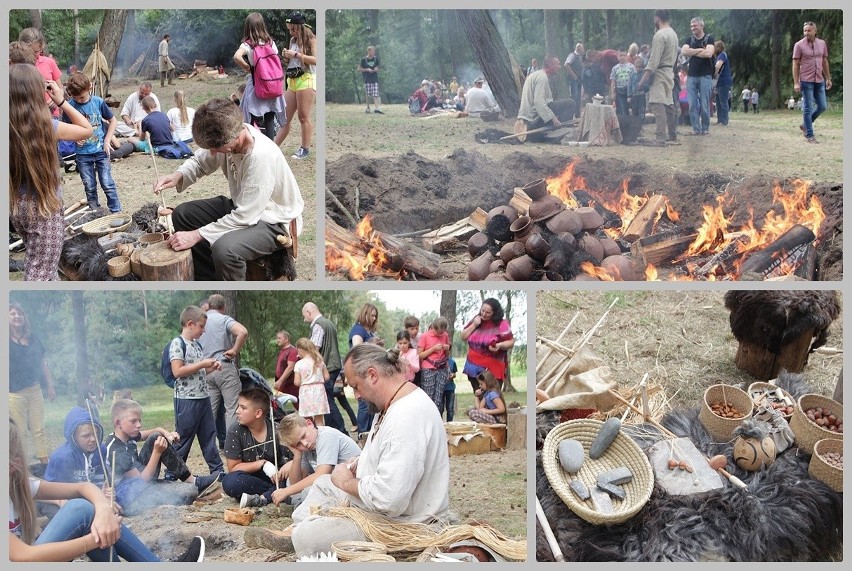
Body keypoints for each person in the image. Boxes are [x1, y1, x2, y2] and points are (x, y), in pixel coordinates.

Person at [290, 345, 450, 558]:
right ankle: (293, 530)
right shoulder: (390, 403)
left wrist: (347, 482)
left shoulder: (405, 418)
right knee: (322, 482)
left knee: (306, 537)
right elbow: (383, 456)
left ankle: (299, 532)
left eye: (356, 386)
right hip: (384, 509)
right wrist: (359, 463)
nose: (356, 395)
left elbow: (390, 500)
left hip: (403, 524)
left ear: (373, 375)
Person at [9, 421, 207, 562]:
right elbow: (24, 558)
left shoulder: (18, 482)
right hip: (28, 560)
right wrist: (93, 540)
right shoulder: (62, 458)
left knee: (89, 511)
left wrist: (103, 511)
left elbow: (83, 487)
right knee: (83, 511)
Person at [153, 98, 304, 281]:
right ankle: (208, 277)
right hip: (245, 207)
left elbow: (246, 216)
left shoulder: (261, 156)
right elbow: (201, 161)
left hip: (274, 221)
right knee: (183, 214)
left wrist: (196, 235)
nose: (214, 152)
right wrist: (178, 175)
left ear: (235, 137)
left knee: (225, 250)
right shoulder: (230, 132)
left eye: (217, 148)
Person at [9, 65, 92, 281]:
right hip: (45, 208)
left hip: (18, 207)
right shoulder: (48, 127)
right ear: (38, 92)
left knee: (37, 262)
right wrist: (61, 101)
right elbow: (86, 129)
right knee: (41, 273)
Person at [104, 399, 222, 515]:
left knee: (156, 436)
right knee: (189, 491)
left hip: (140, 483)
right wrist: (157, 452)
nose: (139, 425)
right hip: (130, 496)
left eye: (139, 420)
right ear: (118, 423)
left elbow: (156, 431)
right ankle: (194, 486)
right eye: (133, 421)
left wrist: (167, 435)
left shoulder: (127, 435)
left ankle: (194, 481)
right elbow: (140, 481)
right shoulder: (116, 450)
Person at [166, 305, 225, 476]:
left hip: (203, 397)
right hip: (186, 399)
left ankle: (217, 471)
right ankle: (172, 473)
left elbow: (199, 371)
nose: (204, 330)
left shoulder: (196, 345)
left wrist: (211, 367)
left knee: (209, 435)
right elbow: (177, 371)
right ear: (190, 324)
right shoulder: (178, 343)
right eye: (201, 326)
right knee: (183, 437)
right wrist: (202, 364)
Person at [258, 414, 360, 508]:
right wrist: (297, 455)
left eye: (303, 436)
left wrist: (286, 491)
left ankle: (301, 505)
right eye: (298, 444)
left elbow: (321, 474)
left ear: (309, 424)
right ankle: (301, 504)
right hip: (336, 483)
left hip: (354, 483)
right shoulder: (307, 448)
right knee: (292, 484)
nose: (305, 443)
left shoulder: (326, 436)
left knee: (306, 491)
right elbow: (295, 482)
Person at [221, 388, 290, 508]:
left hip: (276, 478)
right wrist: (262, 463)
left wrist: (288, 466)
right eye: (238, 407)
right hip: (249, 478)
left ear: (258, 413)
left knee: (289, 480)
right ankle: (271, 493)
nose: (237, 411)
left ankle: (263, 498)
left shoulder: (277, 431)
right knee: (229, 482)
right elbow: (233, 468)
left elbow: (296, 460)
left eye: (243, 408)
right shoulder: (235, 431)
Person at [9, 302, 59, 466]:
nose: (17, 317)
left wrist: (50, 385)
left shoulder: (33, 338)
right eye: (13, 314)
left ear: (24, 318)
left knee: (38, 429)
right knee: (20, 432)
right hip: (15, 393)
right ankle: (22, 466)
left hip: (35, 389)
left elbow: (42, 362)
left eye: (20, 314)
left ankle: (45, 463)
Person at [197, 293, 248, 449]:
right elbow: (242, 332)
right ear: (223, 307)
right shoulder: (223, 319)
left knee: (209, 411)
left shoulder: (201, 322)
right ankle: (233, 445)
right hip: (224, 367)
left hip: (205, 371)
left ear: (209, 306)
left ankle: (209, 447)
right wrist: (234, 349)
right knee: (232, 408)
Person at [233, 12, 287, 142]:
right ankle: (271, 147)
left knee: (250, 116)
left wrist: (247, 67)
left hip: (257, 85)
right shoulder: (270, 42)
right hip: (272, 84)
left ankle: (252, 143)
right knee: (269, 116)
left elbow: (236, 57)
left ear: (247, 27)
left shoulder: (247, 45)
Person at [274, 11, 318, 160]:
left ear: (301, 27)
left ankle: (304, 149)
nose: (291, 32)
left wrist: (297, 55)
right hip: (292, 80)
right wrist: (286, 56)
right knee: (284, 117)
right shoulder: (293, 40)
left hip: (306, 79)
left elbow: (316, 60)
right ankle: (273, 148)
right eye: (289, 29)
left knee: (303, 116)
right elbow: (293, 61)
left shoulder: (311, 40)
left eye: (293, 29)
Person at [636, 9, 679, 146]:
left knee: (657, 103)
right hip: (669, 71)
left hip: (660, 72)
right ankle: (672, 135)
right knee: (669, 104)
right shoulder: (673, 33)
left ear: (657, 19)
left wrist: (642, 81)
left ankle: (660, 137)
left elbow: (653, 60)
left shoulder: (660, 35)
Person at [302, 302, 347, 432]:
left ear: (309, 312)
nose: (304, 319)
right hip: (334, 364)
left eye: (304, 315)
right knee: (328, 399)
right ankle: (335, 430)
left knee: (327, 401)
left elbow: (314, 349)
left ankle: (340, 430)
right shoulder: (329, 323)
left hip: (328, 366)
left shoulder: (318, 325)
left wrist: (304, 360)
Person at [460, 298, 515, 393]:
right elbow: (463, 337)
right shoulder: (476, 320)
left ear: (495, 312)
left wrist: (499, 345)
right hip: (473, 366)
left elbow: (511, 341)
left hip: (493, 367)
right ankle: (480, 408)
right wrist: (474, 325)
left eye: (488, 312)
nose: (484, 314)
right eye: (482, 311)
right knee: (478, 394)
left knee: (493, 395)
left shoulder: (502, 324)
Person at [44, 407, 107, 489]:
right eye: (86, 435)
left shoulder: (100, 450)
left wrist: (103, 491)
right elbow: (63, 490)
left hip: (88, 493)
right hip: (61, 495)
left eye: (96, 433)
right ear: (73, 437)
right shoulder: (63, 458)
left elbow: (99, 478)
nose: (93, 439)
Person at [517, 56, 575, 139]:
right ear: (551, 65)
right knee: (570, 103)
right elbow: (539, 103)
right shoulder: (542, 78)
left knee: (557, 103)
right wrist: (554, 118)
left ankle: (556, 131)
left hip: (528, 118)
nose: (560, 67)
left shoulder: (538, 75)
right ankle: (563, 133)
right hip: (533, 120)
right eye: (558, 64)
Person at [793, 21, 831, 144]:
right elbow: (795, 64)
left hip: (819, 80)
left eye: (809, 30)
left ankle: (805, 125)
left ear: (815, 31)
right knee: (808, 108)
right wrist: (796, 82)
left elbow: (824, 61)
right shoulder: (799, 45)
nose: (806, 33)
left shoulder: (822, 44)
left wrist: (828, 78)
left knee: (822, 106)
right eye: (805, 31)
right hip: (806, 81)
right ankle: (810, 135)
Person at [349, 303, 383, 441]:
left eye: (376, 316)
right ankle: (363, 436)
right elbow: (357, 349)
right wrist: (373, 344)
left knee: (371, 406)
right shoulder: (358, 330)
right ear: (365, 314)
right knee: (364, 406)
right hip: (361, 372)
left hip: (369, 372)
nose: (374, 318)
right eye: (372, 315)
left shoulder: (368, 331)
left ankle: (370, 436)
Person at [18, 28, 62, 118]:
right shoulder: (18, 66)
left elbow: (60, 88)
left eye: (38, 51)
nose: (35, 54)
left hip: (52, 114)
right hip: (28, 115)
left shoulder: (49, 62)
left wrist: (56, 100)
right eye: (31, 51)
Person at [681, 17, 715, 135]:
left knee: (705, 104)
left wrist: (693, 51)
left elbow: (709, 54)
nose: (692, 28)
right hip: (692, 76)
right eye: (691, 26)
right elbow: (684, 52)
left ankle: (705, 129)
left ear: (701, 26)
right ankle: (696, 129)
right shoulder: (689, 39)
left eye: (695, 25)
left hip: (705, 75)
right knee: (692, 105)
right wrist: (700, 50)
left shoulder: (709, 38)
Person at [294, 338, 330, 427]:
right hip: (319, 390)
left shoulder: (299, 364)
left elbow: (297, 382)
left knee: (306, 418)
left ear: (300, 350)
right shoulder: (319, 361)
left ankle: (309, 435)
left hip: (306, 391)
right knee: (319, 419)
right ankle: (321, 436)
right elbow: (327, 377)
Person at [418, 316, 451, 413]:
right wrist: (433, 349)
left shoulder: (445, 335)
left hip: (442, 368)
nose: (441, 335)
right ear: (433, 328)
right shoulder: (425, 336)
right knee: (428, 396)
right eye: (439, 333)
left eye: (442, 332)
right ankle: (427, 418)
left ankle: (437, 420)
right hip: (429, 368)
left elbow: (447, 355)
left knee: (439, 397)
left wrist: (446, 349)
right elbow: (420, 355)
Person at [274, 330, 301, 406]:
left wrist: (280, 381)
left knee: (295, 407)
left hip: (291, 386)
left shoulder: (292, 351)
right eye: (277, 338)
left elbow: (290, 367)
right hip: (283, 386)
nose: (277, 340)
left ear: (286, 339)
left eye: (279, 338)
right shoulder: (282, 351)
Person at [358, 46, 383, 114]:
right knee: (368, 94)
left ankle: (377, 108)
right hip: (367, 79)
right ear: (368, 51)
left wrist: (376, 69)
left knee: (376, 93)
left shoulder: (375, 59)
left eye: (374, 51)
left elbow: (377, 67)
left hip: (374, 78)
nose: (374, 52)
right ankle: (368, 108)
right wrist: (367, 69)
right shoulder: (363, 60)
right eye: (372, 51)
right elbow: (359, 69)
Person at [610, 51, 636, 116]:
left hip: (630, 90)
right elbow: (613, 81)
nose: (622, 57)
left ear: (626, 56)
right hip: (620, 90)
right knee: (623, 109)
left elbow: (635, 78)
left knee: (634, 108)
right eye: (620, 55)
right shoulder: (615, 68)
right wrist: (612, 93)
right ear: (617, 57)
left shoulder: (631, 66)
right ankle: (625, 123)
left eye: (624, 55)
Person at [713, 40, 732, 126]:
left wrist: (712, 74)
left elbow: (718, 66)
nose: (713, 48)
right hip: (718, 82)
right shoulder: (718, 56)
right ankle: (720, 119)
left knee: (723, 101)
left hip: (723, 81)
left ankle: (724, 121)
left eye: (715, 47)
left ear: (719, 47)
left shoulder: (722, 55)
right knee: (718, 101)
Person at [564, 43, 585, 118]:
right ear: (578, 48)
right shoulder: (572, 55)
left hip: (579, 79)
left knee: (579, 97)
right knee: (574, 96)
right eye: (582, 48)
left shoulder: (580, 57)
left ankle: (577, 114)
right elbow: (566, 64)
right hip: (574, 80)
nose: (583, 50)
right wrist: (573, 75)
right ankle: (571, 115)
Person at [444, 356, 458, 422]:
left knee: (450, 408)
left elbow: (455, 373)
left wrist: (453, 375)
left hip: (450, 388)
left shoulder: (452, 362)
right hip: (441, 388)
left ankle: (450, 423)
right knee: (440, 408)